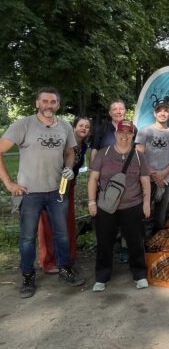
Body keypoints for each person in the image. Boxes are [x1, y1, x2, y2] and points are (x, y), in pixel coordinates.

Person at [0, 87, 85, 298]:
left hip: (57, 190)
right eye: (45, 101)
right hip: (29, 193)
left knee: (62, 234)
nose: (49, 105)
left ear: (58, 104)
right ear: (37, 103)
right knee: (28, 238)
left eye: (53, 102)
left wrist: (68, 166)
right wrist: (9, 183)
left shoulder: (64, 126)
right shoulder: (23, 125)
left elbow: (69, 152)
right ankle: (28, 276)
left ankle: (65, 269)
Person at [88, 119, 151, 292]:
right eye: (121, 132)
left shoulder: (138, 155)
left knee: (136, 241)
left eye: (128, 133)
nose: (124, 136)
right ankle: (102, 277)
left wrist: (146, 204)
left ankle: (139, 274)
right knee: (104, 242)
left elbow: (145, 181)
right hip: (106, 206)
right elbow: (93, 179)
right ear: (115, 134)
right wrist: (92, 202)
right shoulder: (103, 153)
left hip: (133, 205)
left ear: (133, 135)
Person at [38, 116, 92, 273]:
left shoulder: (83, 146)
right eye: (81, 125)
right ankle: (49, 260)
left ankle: (67, 256)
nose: (84, 128)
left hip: (69, 185)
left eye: (87, 127)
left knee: (67, 220)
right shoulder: (62, 141)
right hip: (51, 185)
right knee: (48, 222)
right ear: (73, 127)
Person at [91, 100, 136, 262]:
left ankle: (125, 248)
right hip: (105, 181)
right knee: (108, 214)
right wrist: (94, 175)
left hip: (127, 180)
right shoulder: (102, 129)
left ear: (125, 111)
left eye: (121, 109)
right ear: (110, 113)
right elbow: (94, 151)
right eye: (115, 109)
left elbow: (136, 152)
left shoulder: (132, 127)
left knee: (127, 214)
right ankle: (108, 248)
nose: (118, 111)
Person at [135, 100, 169, 236]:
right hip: (146, 180)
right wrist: (154, 174)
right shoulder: (145, 131)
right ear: (154, 113)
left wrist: (163, 173)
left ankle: (155, 245)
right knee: (142, 213)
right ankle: (139, 245)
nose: (163, 113)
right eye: (160, 110)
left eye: (166, 110)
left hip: (165, 180)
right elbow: (139, 154)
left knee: (160, 217)